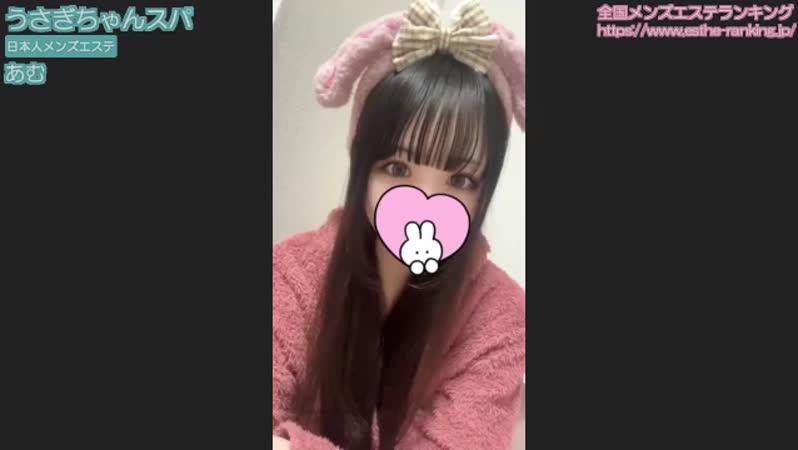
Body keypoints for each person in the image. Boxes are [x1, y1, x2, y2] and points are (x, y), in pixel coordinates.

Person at [272, 1, 526, 448]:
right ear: (362, 161)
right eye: (398, 168)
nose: (424, 206)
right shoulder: (290, 273)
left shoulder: (501, 316)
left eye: (461, 179)